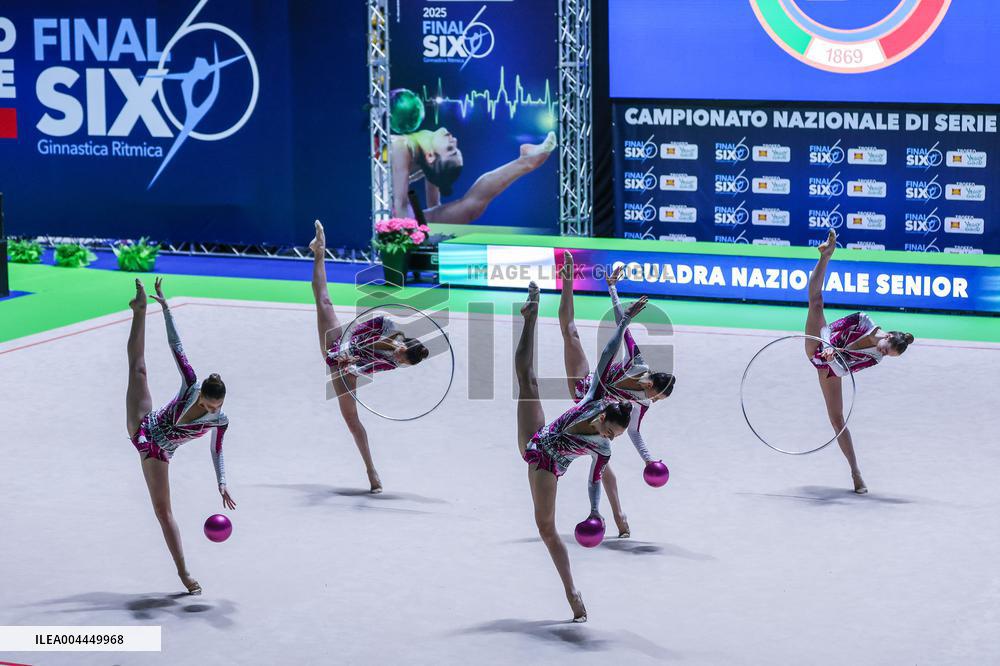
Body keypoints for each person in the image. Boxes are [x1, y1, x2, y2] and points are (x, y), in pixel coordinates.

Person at [515, 281, 647, 622]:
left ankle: (571, 591)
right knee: (526, 380)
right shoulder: (592, 401)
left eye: (614, 437)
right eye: (610, 431)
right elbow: (607, 354)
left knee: (546, 529)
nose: (609, 439)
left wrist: (594, 511)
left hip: (547, 463)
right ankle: (530, 316)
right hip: (537, 435)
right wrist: (623, 322)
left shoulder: (602, 448)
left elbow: (594, 480)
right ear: (603, 416)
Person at [125, 278, 235, 595]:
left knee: (163, 512)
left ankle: (183, 573)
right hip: (143, 423)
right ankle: (140, 310)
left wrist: (222, 482)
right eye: (210, 404)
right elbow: (177, 346)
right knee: (139, 368)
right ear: (201, 396)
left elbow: (218, 451)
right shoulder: (191, 385)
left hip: (158, 452)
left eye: (218, 406)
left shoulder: (220, 419)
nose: (213, 410)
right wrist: (166, 306)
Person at [558, 252, 675, 537]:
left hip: (599, 414)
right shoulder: (637, 363)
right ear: (651, 386)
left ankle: (615, 513)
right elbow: (623, 324)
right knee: (570, 332)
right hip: (584, 389)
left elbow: (633, 433)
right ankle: (567, 282)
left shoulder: (642, 403)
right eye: (658, 397)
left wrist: (647, 460)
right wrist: (611, 287)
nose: (655, 402)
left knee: (601, 460)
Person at [309, 221, 429, 493]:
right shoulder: (386, 324)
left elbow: (368, 368)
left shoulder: (393, 362)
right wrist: (345, 352)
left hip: (344, 366)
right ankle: (320, 250)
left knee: (352, 420)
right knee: (323, 299)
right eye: (402, 358)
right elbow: (355, 332)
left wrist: (352, 365)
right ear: (402, 347)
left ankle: (370, 469)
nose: (399, 363)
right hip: (339, 342)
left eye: (403, 365)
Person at [805, 230, 914, 493]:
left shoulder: (875, 358)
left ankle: (855, 472)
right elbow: (832, 328)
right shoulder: (864, 320)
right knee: (816, 303)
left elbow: (844, 370)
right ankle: (826, 257)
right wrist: (829, 347)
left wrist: (833, 359)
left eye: (889, 356)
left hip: (831, 369)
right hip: (819, 344)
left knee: (837, 420)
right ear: (887, 336)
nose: (884, 354)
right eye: (887, 349)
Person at [391, 128, 557, 224]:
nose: (453, 140)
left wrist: (438, 226)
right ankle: (526, 162)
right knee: (469, 207)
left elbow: (432, 203)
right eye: (452, 149)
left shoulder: (417, 151)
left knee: (469, 207)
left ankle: (525, 162)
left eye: (451, 150)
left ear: (430, 157)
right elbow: (399, 205)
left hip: (400, 215)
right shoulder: (404, 147)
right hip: (393, 216)